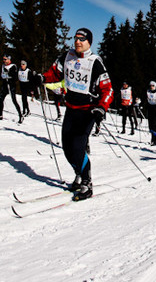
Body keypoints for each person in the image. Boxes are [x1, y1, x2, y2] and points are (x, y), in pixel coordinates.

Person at [41, 27, 112, 201]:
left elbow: (108, 89)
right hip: (71, 109)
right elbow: (54, 73)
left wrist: (101, 108)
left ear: (89, 42)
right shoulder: (67, 57)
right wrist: (42, 78)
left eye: (82, 39)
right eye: (76, 38)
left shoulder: (95, 62)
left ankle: (87, 182)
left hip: (87, 111)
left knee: (79, 147)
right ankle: (78, 174)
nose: (78, 42)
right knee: (67, 148)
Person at [0, 54, 23, 123]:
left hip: (11, 85)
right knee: (1, 99)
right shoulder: (3, 66)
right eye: (3, 59)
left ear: (9, 59)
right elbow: (1, 74)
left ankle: (20, 115)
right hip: (5, 85)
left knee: (14, 101)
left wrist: (8, 73)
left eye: (5, 59)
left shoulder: (13, 66)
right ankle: (0, 114)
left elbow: (14, 76)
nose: (4, 61)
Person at [145, 81, 156, 146]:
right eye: (150, 86)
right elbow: (145, 99)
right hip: (150, 108)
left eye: (153, 86)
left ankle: (154, 139)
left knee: (155, 124)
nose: (151, 87)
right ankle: (153, 138)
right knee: (151, 125)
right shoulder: (147, 92)